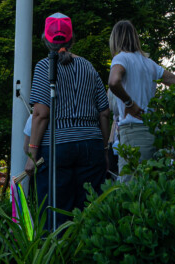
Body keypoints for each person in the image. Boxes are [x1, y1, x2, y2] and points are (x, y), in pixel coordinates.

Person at [25, 13, 110, 227]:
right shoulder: (88, 67)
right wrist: (104, 149)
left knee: (56, 216)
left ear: (45, 38)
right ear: (72, 39)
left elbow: (40, 114)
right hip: (91, 145)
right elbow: (104, 112)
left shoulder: (45, 66)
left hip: (56, 149)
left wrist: (32, 154)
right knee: (91, 212)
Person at [107, 19, 175, 181]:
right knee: (152, 187)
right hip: (153, 132)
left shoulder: (121, 59)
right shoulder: (150, 64)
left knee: (131, 191)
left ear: (115, 39)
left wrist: (129, 103)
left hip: (133, 134)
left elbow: (113, 82)